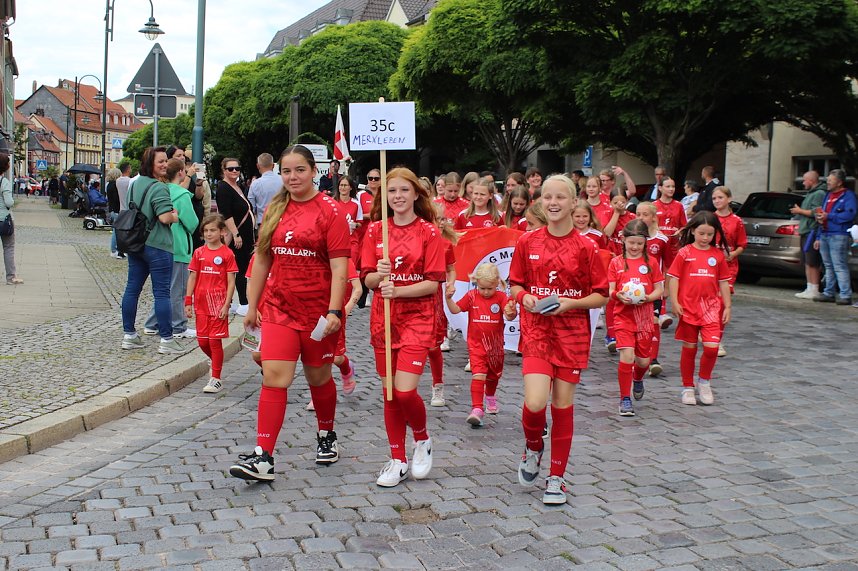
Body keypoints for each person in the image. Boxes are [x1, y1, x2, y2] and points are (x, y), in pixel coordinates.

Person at [229, 145, 350, 481]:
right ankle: (263, 456)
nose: (293, 177)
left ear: (314, 171)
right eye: (286, 171)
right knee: (274, 377)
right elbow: (263, 258)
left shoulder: (331, 210)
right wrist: (253, 305)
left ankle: (326, 434)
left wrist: (335, 310)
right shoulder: (275, 208)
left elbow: (341, 266)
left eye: (299, 170)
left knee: (318, 377)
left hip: (318, 314)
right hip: (280, 308)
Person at [509, 175, 609, 505]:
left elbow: (601, 295)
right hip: (537, 331)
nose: (553, 203)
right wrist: (522, 298)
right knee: (535, 402)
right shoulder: (528, 242)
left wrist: (571, 303)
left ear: (573, 202)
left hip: (572, 334)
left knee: (562, 405)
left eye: (561, 198)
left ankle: (556, 477)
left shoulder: (587, 246)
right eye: (548, 197)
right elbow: (516, 283)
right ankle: (534, 445)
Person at [361, 167, 445, 488]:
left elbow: (433, 283)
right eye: (391, 191)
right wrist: (377, 276)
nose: (397, 196)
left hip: (418, 319)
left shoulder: (429, 232)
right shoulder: (374, 231)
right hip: (384, 321)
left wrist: (398, 289)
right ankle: (397, 459)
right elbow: (367, 279)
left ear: (416, 194)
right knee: (389, 394)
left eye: (403, 190)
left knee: (405, 390)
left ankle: (422, 439)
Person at [119, 147, 184, 354]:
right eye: (161, 162)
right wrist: (175, 216)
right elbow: (165, 218)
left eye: (166, 161)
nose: (165, 165)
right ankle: (166, 340)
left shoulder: (134, 183)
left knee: (132, 289)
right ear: (150, 164)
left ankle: (129, 335)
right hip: (157, 245)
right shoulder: (159, 187)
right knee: (162, 292)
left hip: (136, 243)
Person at [667, 211, 731, 406]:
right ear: (693, 231)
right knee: (690, 348)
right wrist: (675, 302)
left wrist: (727, 306)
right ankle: (687, 387)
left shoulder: (718, 255)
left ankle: (704, 381)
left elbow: (723, 282)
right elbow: (674, 279)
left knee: (711, 349)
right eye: (701, 233)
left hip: (711, 309)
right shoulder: (684, 253)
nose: (705, 238)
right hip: (688, 309)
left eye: (709, 234)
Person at [445, 263, 515, 427]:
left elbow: (510, 316)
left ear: (497, 283)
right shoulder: (471, 296)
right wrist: (448, 298)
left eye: (489, 289)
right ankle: (477, 409)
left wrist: (512, 310)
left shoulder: (501, 297)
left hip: (495, 347)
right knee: (478, 375)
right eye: (481, 288)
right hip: (476, 346)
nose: (485, 292)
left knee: (493, 375)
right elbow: (456, 310)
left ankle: (490, 396)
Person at [607, 219, 664, 417]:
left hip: (644, 318)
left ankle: (638, 378)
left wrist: (647, 298)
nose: (635, 247)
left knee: (642, 361)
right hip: (623, 317)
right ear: (623, 240)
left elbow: (659, 290)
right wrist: (618, 296)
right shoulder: (616, 263)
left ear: (645, 243)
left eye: (639, 243)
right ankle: (625, 398)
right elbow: (610, 290)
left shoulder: (651, 263)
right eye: (631, 242)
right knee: (627, 356)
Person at [142, 158, 200, 339]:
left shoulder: (159, 190)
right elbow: (192, 223)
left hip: (160, 245)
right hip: (179, 247)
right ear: (181, 172)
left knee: (163, 289)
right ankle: (178, 326)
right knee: (178, 289)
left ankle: (153, 323)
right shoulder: (182, 196)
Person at [185, 213, 237, 393]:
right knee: (202, 342)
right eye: (206, 231)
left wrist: (226, 304)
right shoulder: (199, 253)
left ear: (222, 232)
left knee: (215, 342)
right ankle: (215, 361)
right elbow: (192, 277)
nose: (209, 234)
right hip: (201, 303)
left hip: (218, 304)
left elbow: (231, 281)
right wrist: (188, 300)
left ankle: (216, 378)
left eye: (213, 230)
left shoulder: (227, 254)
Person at [217, 158, 255, 315]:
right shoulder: (224, 188)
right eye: (230, 168)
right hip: (237, 235)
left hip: (245, 234)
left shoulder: (236, 187)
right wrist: (236, 234)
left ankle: (232, 301)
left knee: (241, 267)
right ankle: (243, 302)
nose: (234, 171)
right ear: (224, 170)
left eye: (237, 168)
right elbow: (226, 213)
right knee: (238, 268)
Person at [813, 169, 857, 305]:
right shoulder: (828, 195)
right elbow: (823, 213)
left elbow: (849, 215)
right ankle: (829, 292)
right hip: (825, 233)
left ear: (839, 182)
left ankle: (845, 294)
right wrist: (819, 235)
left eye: (830, 181)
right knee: (828, 265)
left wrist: (829, 216)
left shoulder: (848, 196)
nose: (828, 183)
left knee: (839, 265)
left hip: (839, 234)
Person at [712, 186, 746, 357]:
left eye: (720, 197)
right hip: (711, 265)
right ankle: (706, 330)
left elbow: (742, 244)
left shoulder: (737, 221)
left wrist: (732, 254)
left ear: (729, 199)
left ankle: (717, 339)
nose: (717, 201)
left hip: (729, 266)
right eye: (714, 198)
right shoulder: (710, 219)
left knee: (722, 302)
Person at [790, 171, 827, 299]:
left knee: (813, 261)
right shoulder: (811, 193)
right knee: (806, 261)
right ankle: (809, 287)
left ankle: (815, 288)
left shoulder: (819, 194)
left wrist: (800, 211)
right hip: (805, 230)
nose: (803, 183)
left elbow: (816, 212)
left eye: (805, 180)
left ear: (811, 181)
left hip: (812, 231)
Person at [0, 154, 23, 285]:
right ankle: (10, 277)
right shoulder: (4, 183)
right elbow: (9, 202)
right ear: (6, 166)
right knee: (8, 248)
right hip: (4, 220)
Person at [248, 153, 282, 227]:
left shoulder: (255, 184)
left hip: (263, 222)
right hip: (281, 221)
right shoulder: (283, 180)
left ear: (258, 166)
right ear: (273, 165)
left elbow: (251, 207)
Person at [105, 168, 124, 259]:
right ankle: (114, 250)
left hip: (112, 209)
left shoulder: (108, 185)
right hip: (117, 209)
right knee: (116, 231)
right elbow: (117, 198)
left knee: (115, 230)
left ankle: (115, 249)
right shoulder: (115, 185)